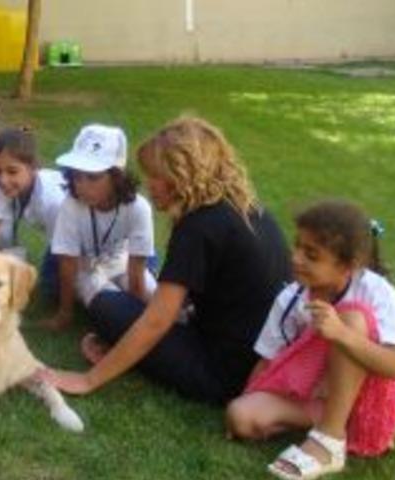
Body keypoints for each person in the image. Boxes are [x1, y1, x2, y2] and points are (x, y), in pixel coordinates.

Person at [43, 116, 292, 404]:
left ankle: (125, 351)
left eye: (155, 175)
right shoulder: (248, 207)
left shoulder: (197, 227)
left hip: (222, 374)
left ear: (180, 176)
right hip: (260, 359)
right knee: (127, 309)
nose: (149, 185)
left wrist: (88, 379)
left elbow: (156, 321)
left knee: (108, 307)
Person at [226, 199, 395, 480]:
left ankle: (328, 441)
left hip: (375, 393)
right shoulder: (291, 298)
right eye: (298, 246)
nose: (296, 258)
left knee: (352, 319)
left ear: (347, 266)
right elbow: (268, 362)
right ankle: (328, 421)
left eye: (311, 255)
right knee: (241, 414)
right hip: (319, 396)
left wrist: (341, 334)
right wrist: (247, 401)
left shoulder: (377, 292)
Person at [45, 124, 158, 330]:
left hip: (121, 262)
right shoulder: (70, 206)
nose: (82, 186)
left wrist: (141, 305)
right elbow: (67, 262)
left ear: (117, 176)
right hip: (85, 269)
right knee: (111, 308)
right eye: (77, 176)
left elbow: (136, 271)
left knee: (156, 300)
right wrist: (65, 312)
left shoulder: (138, 208)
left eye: (93, 177)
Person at [0, 127, 67, 296]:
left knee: (56, 287)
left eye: (12, 171)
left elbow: (67, 252)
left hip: (81, 242)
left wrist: (64, 312)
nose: (3, 179)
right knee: (45, 285)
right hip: (59, 240)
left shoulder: (53, 201)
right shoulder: (2, 187)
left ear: (33, 167)